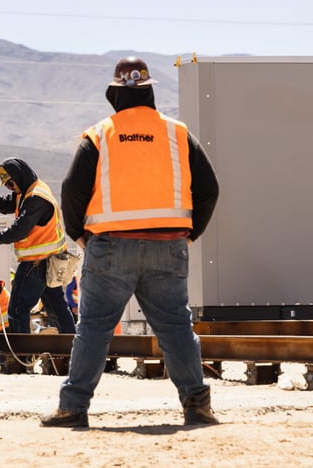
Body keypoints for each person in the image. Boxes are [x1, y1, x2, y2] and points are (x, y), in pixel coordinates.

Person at [41, 57, 220, 429]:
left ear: (115, 94)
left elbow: (72, 191)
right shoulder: (177, 133)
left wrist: (79, 236)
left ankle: (73, 408)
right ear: (150, 91)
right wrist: (190, 232)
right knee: (176, 327)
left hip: (110, 248)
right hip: (167, 246)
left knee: (93, 327)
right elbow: (209, 189)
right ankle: (197, 406)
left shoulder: (99, 135)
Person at [0, 158, 76, 335]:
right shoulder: (25, 192)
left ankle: (22, 355)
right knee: (57, 308)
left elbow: (19, 230)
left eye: (10, 183)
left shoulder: (36, 198)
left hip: (36, 265)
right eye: (7, 185)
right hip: (48, 264)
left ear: (19, 177)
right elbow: (6, 206)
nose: (10, 188)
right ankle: (70, 349)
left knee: (18, 309)